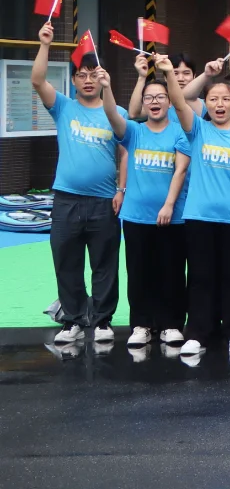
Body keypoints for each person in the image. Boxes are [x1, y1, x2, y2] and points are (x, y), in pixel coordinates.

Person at [30, 22, 127, 347]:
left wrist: (121, 189)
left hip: (104, 202)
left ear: (102, 79)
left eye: (93, 75)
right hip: (66, 201)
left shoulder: (115, 112)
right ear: (73, 80)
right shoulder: (63, 107)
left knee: (105, 265)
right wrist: (45, 44)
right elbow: (37, 80)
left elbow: (125, 152)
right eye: (81, 75)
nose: (87, 80)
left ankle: (102, 321)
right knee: (67, 263)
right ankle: (72, 319)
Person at [167, 66, 230, 359]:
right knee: (201, 277)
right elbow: (179, 101)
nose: (220, 104)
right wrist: (169, 73)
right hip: (200, 216)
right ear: (206, 103)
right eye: (213, 99)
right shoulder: (198, 129)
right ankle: (198, 333)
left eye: (226, 99)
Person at [118, 62, 190, 348]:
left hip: (173, 216)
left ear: (170, 102)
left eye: (160, 97)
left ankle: (171, 324)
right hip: (136, 216)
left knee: (171, 271)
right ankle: (142, 324)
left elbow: (180, 170)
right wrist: (134, 80)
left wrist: (169, 205)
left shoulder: (181, 132)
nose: (154, 102)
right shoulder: (134, 131)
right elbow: (120, 113)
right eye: (149, 98)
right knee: (139, 273)